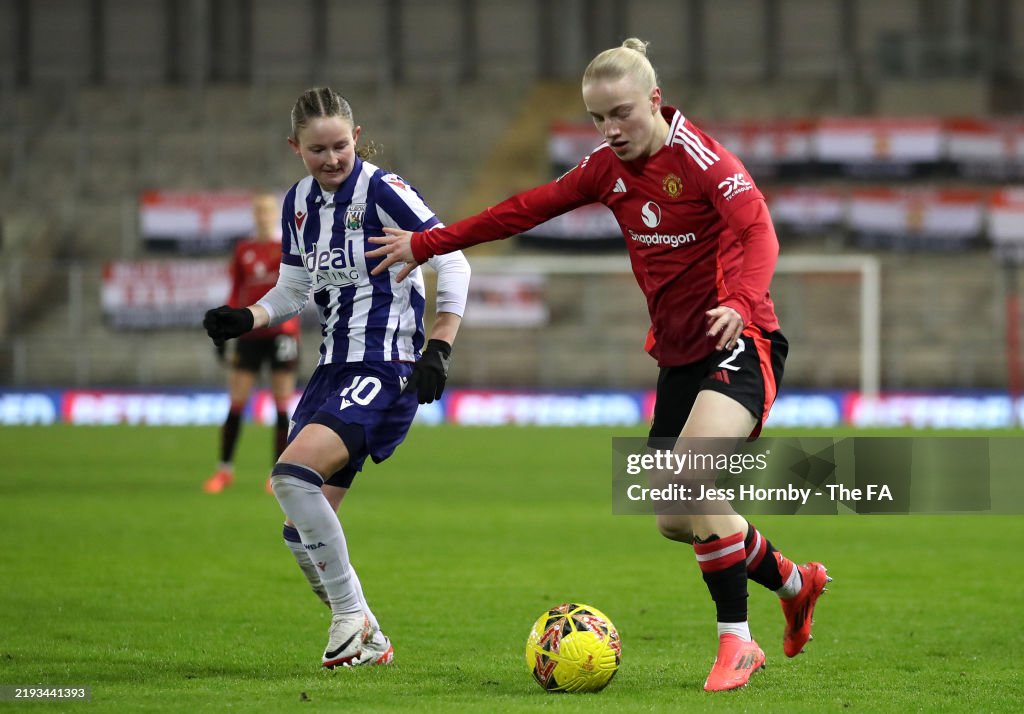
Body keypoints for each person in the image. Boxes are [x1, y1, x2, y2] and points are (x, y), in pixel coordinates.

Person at [367, 39, 829, 692]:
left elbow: (761, 233)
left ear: (656, 102)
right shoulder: (604, 170)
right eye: (597, 118)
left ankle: (738, 644)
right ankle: (793, 582)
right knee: (676, 515)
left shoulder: (703, 161)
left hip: (740, 338)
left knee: (693, 484)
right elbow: (521, 209)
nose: (611, 130)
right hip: (678, 356)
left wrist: (740, 302)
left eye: (622, 113)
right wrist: (427, 243)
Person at [203, 87, 471, 669]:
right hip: (331, 369)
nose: (331, 159)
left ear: (356, 137)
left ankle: (349, 615)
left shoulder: (383, 190)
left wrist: (439, 346)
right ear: (295, 147)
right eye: (317, 149)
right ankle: (370, 636)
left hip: (385, 365)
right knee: (300, 532)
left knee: (291, 477)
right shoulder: (297, 203)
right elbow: (296, 289)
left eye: (340, 146)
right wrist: (247, 317)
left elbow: (452, 256)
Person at [204, 192, 301, 495]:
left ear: (276, 213)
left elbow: (298, 289)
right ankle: (224, 470)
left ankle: (277, 474)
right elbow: (236, 292)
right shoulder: (244, 249)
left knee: (282, 403)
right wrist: (225, 329)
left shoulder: (287, 246)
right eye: (258, 210)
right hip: (250, 334)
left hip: (282, 333)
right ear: (253, 214)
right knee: (237, 401)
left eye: (268, 210)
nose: (263, 215)